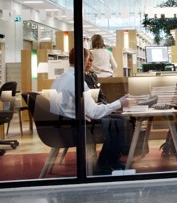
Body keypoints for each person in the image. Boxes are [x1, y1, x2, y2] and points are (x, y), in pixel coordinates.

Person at [50, 47, 132, 175]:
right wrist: (119, 103)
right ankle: (105, 164)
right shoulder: (77, 81)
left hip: (61, 127)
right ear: (83, 60)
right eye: (89, 59)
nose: (90, 63)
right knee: (121, 121)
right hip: (76, 129)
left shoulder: (59, 79)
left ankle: (109, 162)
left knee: (115, 120)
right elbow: (94, 112)